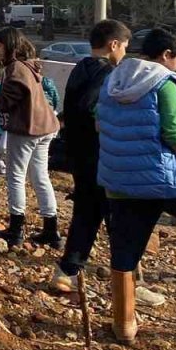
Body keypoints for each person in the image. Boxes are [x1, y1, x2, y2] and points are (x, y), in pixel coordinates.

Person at [96, 26, 176, 342]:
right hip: (164, 177)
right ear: (166, 54)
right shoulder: (162, 81)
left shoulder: (113, 78)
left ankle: (124, 325)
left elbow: (99, 121)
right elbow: (175, 133)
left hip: (120, 179)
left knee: (126, 247)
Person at [47, 20, 130, 293]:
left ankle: (68, 269)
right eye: (125, 47)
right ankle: (127, 283)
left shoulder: (79, 68)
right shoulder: (108, 73)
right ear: (113, 44)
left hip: (78, 154)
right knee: (119, 219)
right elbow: (90, 108)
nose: (124, 53)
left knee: (86, 212)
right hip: (102, 155)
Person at [0, 27, 61, 248]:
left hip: (26, 129)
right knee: (40, 177)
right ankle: (51, 230)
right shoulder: (30, 65)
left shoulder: (15, 69)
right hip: (46, 127)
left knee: (16, 177)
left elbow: (5, 102)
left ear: (9, 46)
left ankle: (16, 229)